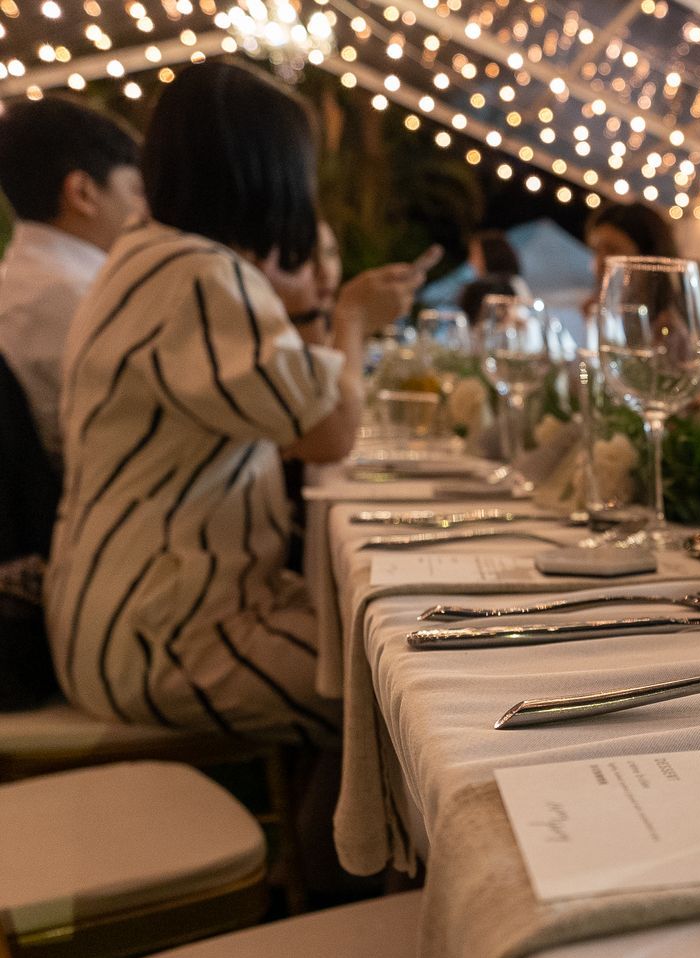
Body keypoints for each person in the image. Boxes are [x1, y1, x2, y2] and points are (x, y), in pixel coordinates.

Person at [45, 61, 428, 745]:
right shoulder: (198, 277)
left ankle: (328, 850)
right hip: (166, 638)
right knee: (409, 690)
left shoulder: (154, 259)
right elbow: (330, 433)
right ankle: (327, 855)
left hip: (128, 611)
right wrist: (351, 317)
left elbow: (292, 415)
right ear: (269, 169)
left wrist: (310, 299)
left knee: (387, 649)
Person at [0, 95, 145, 458]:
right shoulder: (83, 297)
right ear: (82, 193)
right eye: (137, 190)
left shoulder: (20, 280)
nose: (146, 210)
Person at [467, 228, 531, 298]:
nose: (471, 261)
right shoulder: (516, 283)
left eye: (475, 255)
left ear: (490, 255)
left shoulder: (478, 291)